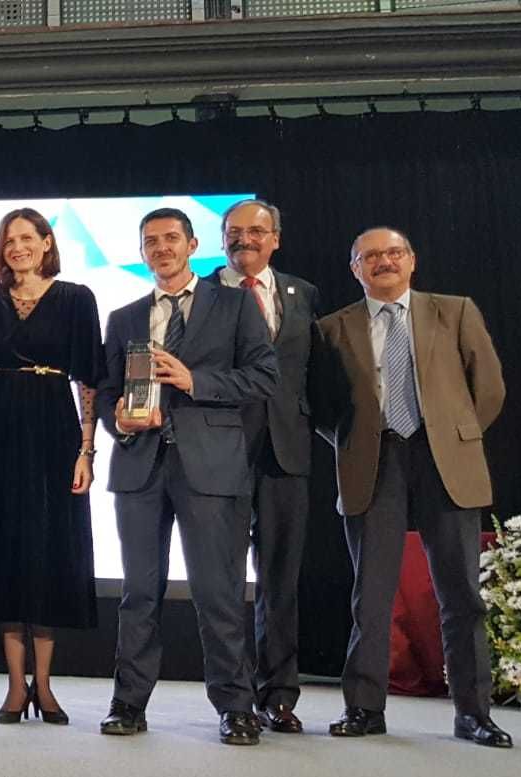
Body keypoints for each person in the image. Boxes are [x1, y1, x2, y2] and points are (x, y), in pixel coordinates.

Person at [310, 227, 510, 748]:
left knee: (461, 595)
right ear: (355, 268)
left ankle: (473, 713)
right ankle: (364, 709)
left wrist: (454, 435)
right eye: (370, 256)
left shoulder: (455, 311)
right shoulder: (333, 327)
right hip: (375, 461)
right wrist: (355, 443)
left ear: (412, 260)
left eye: (393, 252)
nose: (384, 262)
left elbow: (489, 388)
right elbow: (322, 406)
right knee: (371, 595)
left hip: (445, 459)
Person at [96, 208, 277, 745]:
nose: (161, 248)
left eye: (171, 238)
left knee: (218, 592)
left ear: (193, 245)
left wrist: (193, 379)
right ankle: (128, 702)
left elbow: (264, 377)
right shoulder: (124, 317)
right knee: (138, 592)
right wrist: (118, 418)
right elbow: (107, 392)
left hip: (212, 464)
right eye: (150, 241)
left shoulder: (235, 304)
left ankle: (236, 706)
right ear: (142, 252)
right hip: (140, 465)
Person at [0, 208, 103, 726]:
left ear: (46, 242)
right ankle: (14, 686)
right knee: (6, 554)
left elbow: (90, 379)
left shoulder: (77, 298)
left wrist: (86, 450)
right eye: (9, 240)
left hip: (55, 433)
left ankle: (44, 684)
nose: (17, 247)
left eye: (27, 237)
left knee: (50, 553)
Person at [212, 200, 320, 733]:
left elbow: (313, 374)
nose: (244, 239)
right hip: (221, 450)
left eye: (256, 230)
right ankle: (234, 697)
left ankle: (278, 694)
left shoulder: (303, 294)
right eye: (234, 231)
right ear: (221, 239)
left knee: (280, 578)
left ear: (275, 237)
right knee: (225, 579)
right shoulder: (202, 294)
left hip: (286, 451)